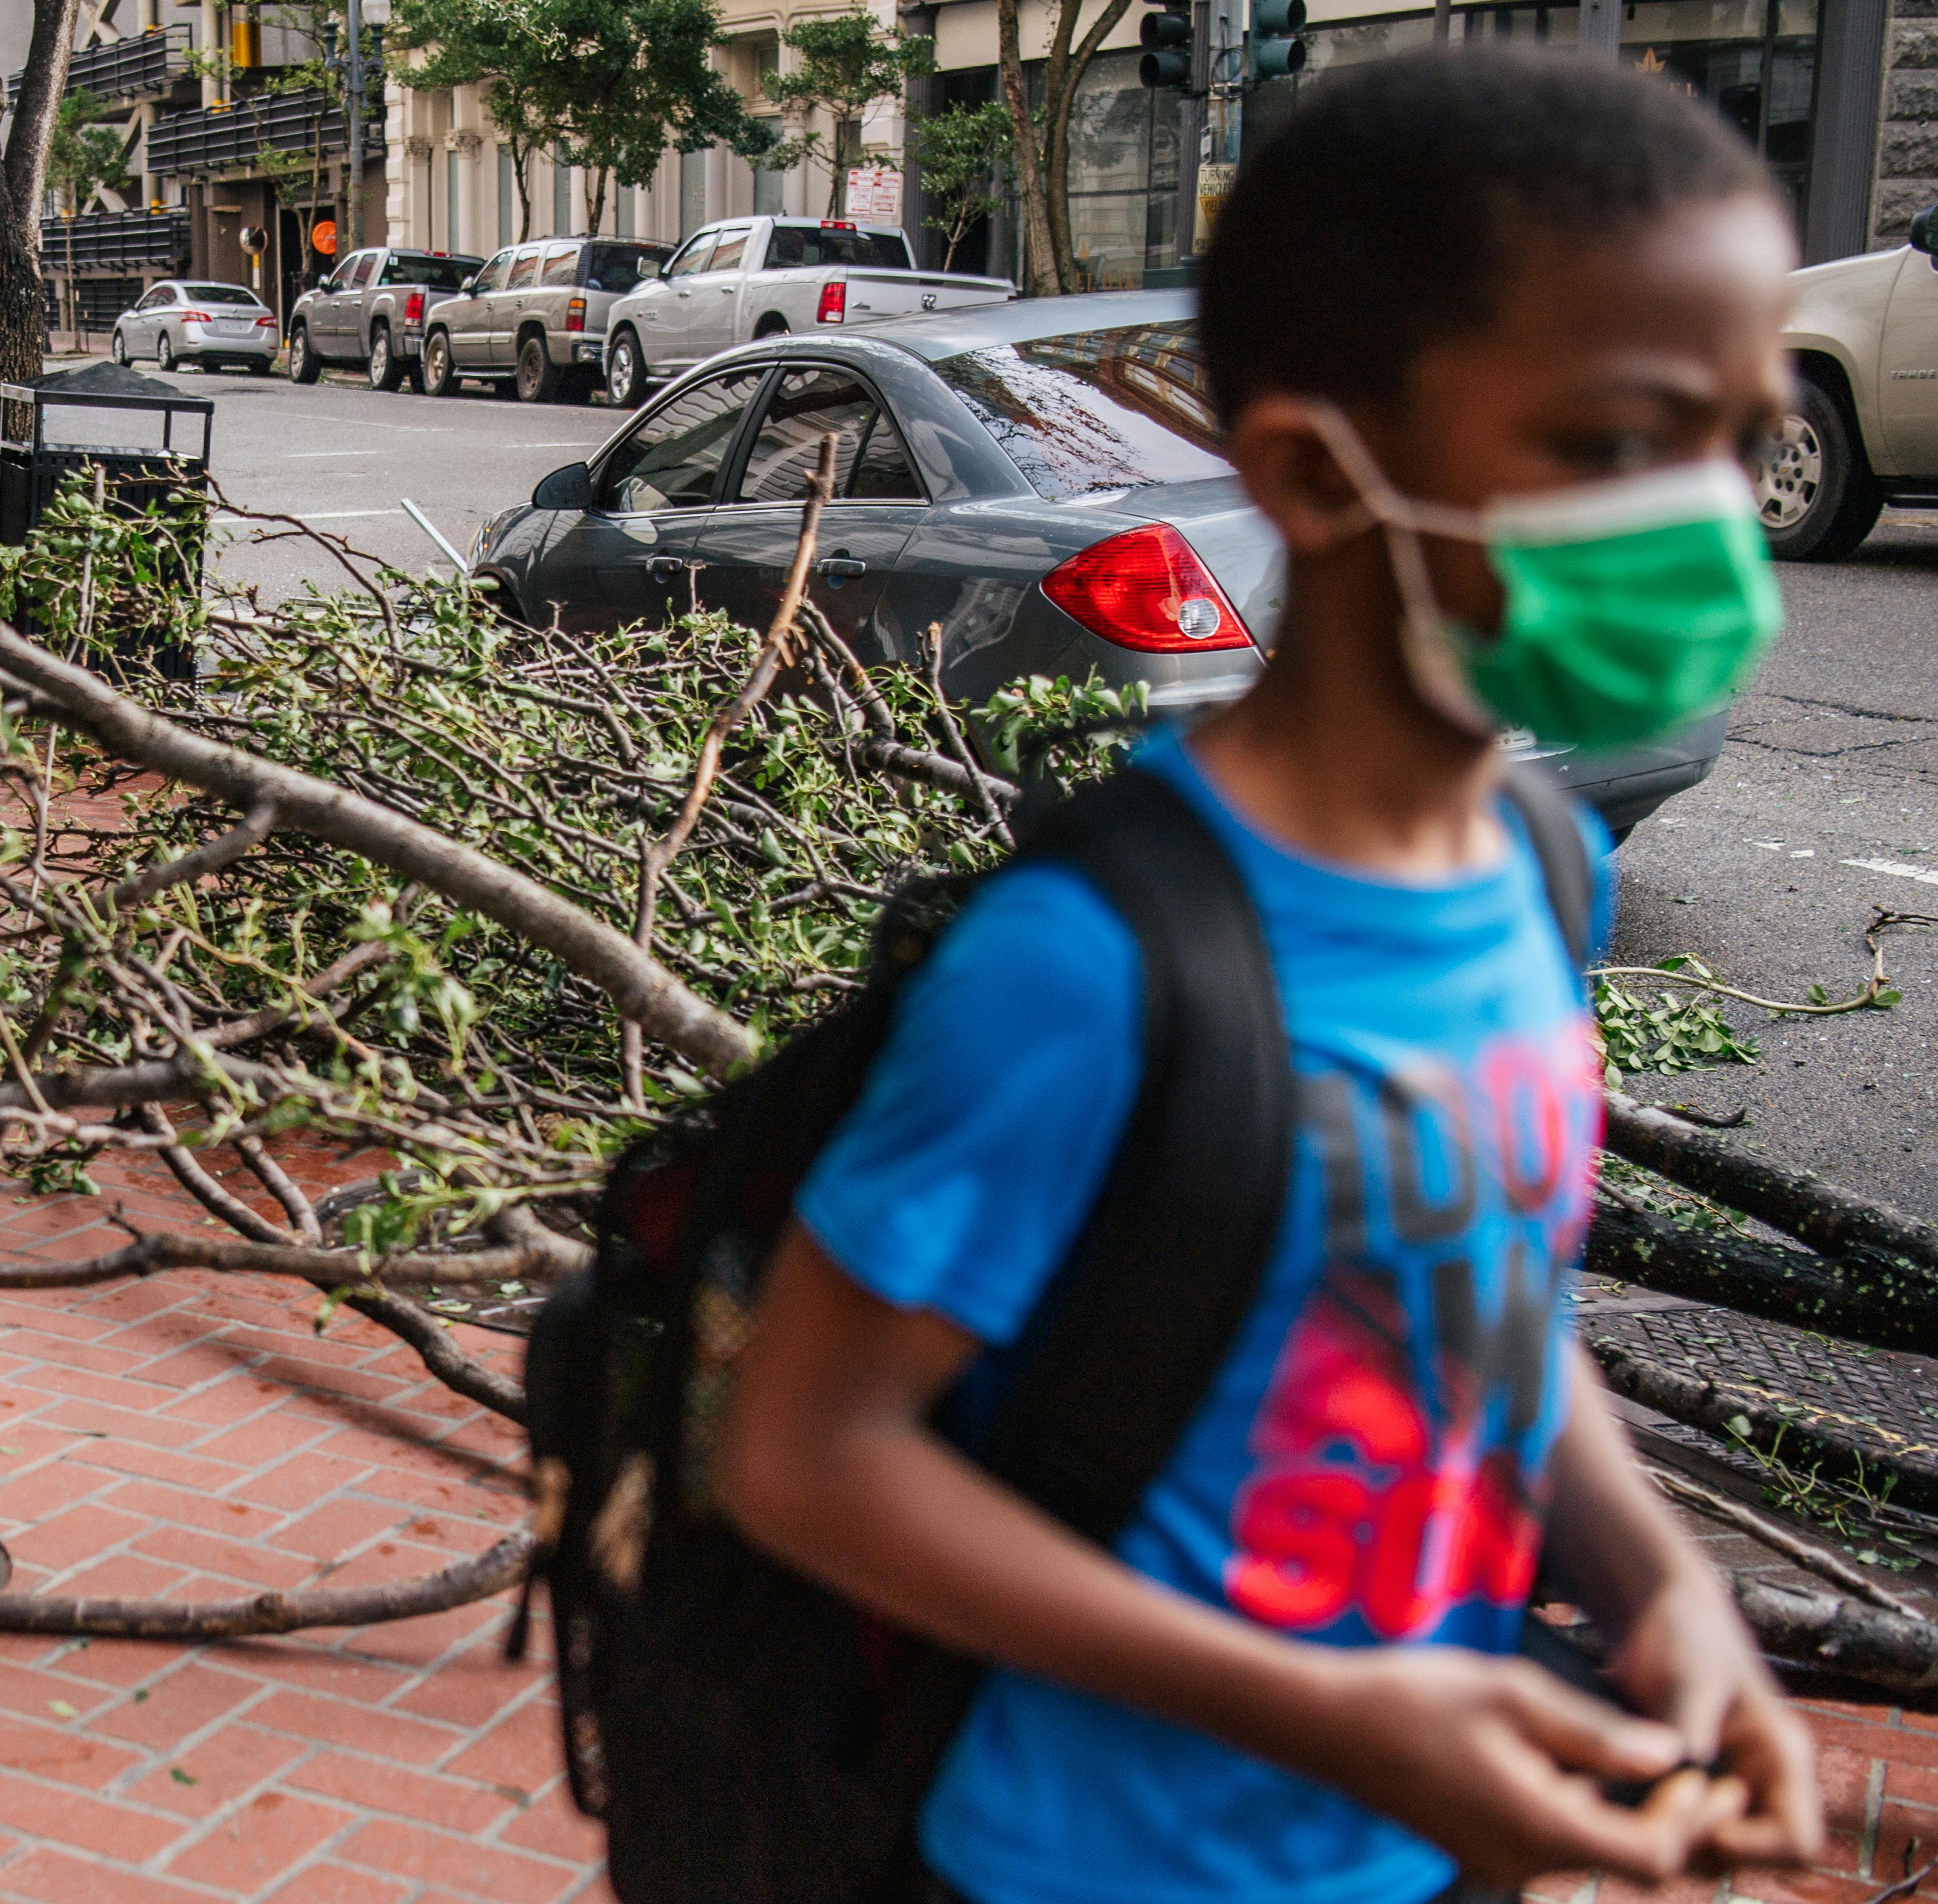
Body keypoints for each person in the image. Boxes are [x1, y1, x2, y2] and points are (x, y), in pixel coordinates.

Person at [712, 48, 1825, 1904]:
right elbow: (806, 1454)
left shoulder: (1547, 870)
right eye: (1622, 443)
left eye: (1744, 431)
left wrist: (1665, 1594)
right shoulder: (1090, 963)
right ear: (1317, 468)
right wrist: (1334, 1717)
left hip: (1424, 1843)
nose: (1708, 516)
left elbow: (1484, 1307)